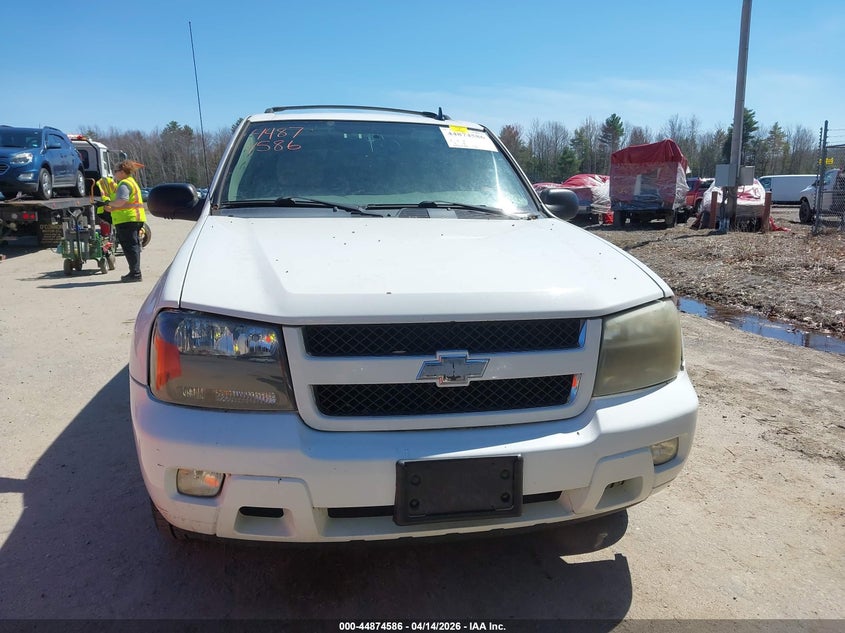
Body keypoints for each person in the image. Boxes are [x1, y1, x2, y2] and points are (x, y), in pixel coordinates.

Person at [102, 160, 146, 282]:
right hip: (134, 218)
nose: (114, 174)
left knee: (130, 247)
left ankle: (135, 273)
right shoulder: (132, 182)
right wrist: (112, 208)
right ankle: (135, 272)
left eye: (116, 171)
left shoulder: (124, 184)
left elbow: (121, 201)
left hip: (127, 219)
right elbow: (126, 204)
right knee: (133, 246)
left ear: (122, 172)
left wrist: (107, 203)